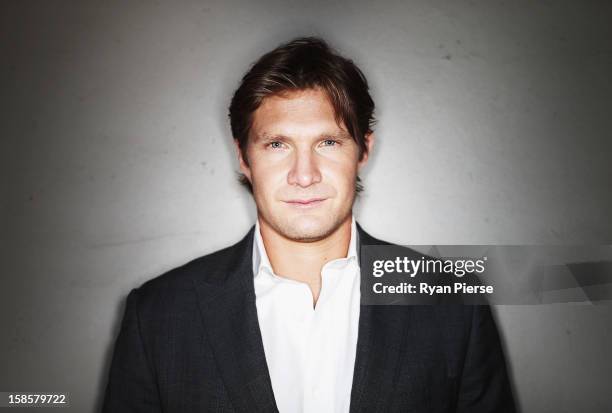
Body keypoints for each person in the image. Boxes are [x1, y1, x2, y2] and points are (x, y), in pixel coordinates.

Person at [102, 36, 516, 413]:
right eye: (278, 145)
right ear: (244, 158)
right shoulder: (158, 315)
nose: (305, 174)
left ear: (363, 151)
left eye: (328, 143)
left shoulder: (452, 304)